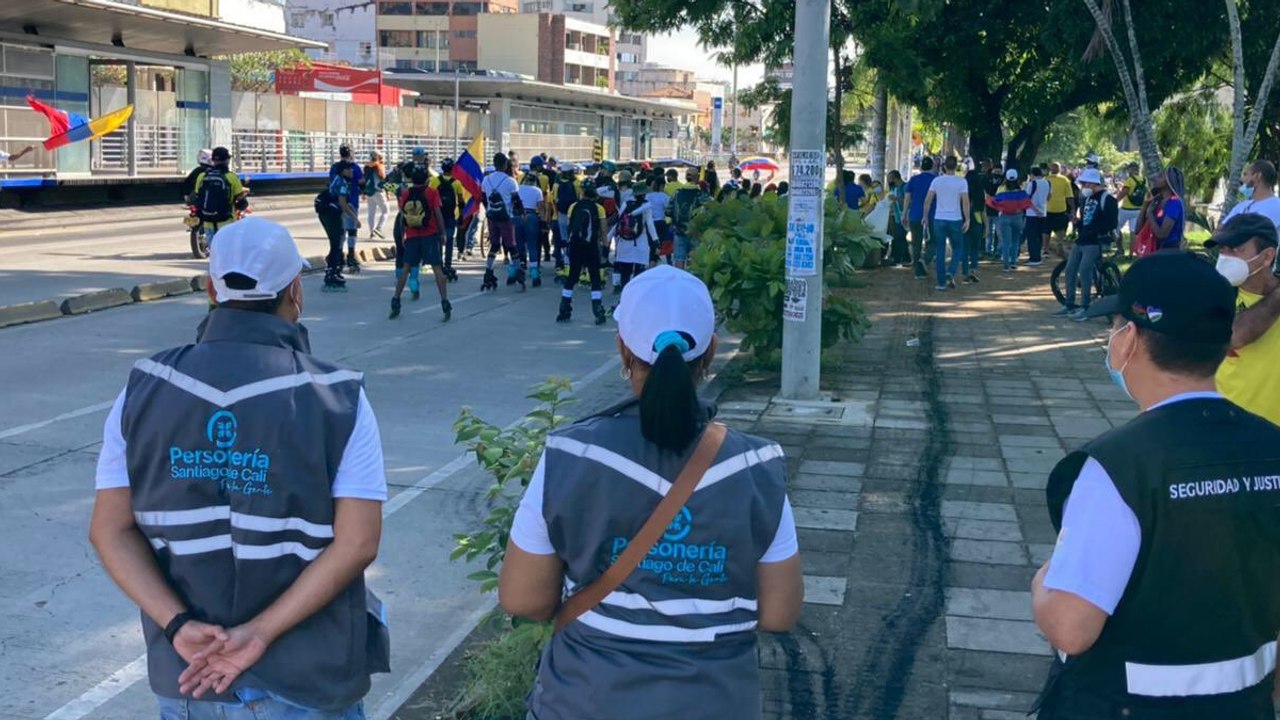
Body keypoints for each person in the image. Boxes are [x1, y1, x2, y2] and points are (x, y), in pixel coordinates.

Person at [89, 217, 390, 719]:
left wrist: (178, 626)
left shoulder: (141, 388)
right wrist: (259, 634)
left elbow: (109, 531)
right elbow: (357, 543)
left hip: (190, 677)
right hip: (306, 678)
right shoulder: (339, 395)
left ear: (211, 289)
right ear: (296, 291)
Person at [501, 264, 802, 720]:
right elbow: (779, 613)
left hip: (585, 700)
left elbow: (523, 599)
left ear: (623, 349)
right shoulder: (757, 466)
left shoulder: (570, 455)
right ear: (712, 352)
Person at [1033, 251, 1280, 720]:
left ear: (1129, 339)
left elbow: (1071, 627)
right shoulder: (1273, 446)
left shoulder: (1117, 467)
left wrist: (1043, 581)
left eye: (1115, 326)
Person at [1207, 214, 1280, 427]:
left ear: (1267, 256)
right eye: (1222, 248)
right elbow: (1234, 336)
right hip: (1226, 426)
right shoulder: (1213, 296)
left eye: (1235, 249)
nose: (1225, 256)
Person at [1054, 168, 1118, 320]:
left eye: (1084, 184)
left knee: (1085, 271)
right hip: (1082, 239)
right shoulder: (1088, 199)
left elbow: (1111, 222)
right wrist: (1078, 223)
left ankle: (1085, 307)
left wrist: (1094, 231)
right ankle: (1069, 304)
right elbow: (1086, 219)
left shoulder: (1107, 199)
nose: (1082, 187)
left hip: (1095, 241)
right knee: (1070, 269)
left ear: (1092, 183)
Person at [392, 168, 451, 321]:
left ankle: (396, 299)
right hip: (430, 235)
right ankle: (444, 301)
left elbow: (403, 215)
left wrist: (403, 234)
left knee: (406, 269)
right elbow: (437, 213)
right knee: (437, 269)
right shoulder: (432, 192)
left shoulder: (405, 193)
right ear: (426, 180)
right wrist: (443, 232)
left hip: (412, 235)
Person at [557, 179, 610, 325]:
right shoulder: (599, 208)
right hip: (591, 247)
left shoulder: (573, 207)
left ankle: (564, 307)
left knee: (572, 276)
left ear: (582, 191)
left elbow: (569, 228)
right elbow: (603, 232)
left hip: (575, 246)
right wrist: (605, 248)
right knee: (595, 278)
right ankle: (597, 308)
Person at [923, 156, 970, 291]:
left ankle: (941, 283)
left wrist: (925, 217)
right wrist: (967, 219)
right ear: (956, 167)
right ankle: (952, 271)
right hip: (955, 219)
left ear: (944, 167)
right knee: (958, 248)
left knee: (940, 250)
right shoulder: (962, 182)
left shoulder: (937, 181)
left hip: (939, 219)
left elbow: (928, 200)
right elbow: (965, 202)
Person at [481, 152, 523, 291]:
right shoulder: (511, 181)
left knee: (494, 245)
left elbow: (482, 198)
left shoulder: (486, 180)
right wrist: (521, 213)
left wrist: (488, 209)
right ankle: (517, 271)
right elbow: (516, 201)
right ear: (505, 165)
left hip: (492, 217)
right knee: (511, 245)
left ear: (494, 164)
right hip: (506, 217)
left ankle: (488, 271)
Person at [191, 146, 247, 248]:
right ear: (227, 160)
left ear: (212, 160)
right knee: (228, 254)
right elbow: (242, 202)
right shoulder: (232, 177)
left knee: (215, 255)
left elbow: (197, 196)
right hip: (227, 222)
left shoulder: (202, 176)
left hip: (208, 222)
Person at [318, 161, 361, 291]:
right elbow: (343, 204)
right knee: (336, 242)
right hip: (329, 213)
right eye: (349, 169)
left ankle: (335, 270)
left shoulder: (340, 180)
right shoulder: (342, 183)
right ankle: (331, 272)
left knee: (337, 240)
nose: (352, 171)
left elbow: (343, 205)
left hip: (330, 212)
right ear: (343, 171)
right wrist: (355, 219)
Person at [612, 182, 660, 291]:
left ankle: (624, 294)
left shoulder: (626, 203)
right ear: (644, 194)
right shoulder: (646, 205)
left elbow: (619, 221)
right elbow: (650, 224)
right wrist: (656, 241)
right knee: (638, 270)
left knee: (625, 271)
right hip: (640, 241)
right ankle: (636, 292)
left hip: (624, 241)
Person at [986, 169, 1033, 272]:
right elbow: (1027, 203)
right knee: (1015, 241)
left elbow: (994, 202)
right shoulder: (1021, 190)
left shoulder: (1001, 189)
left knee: (1006, 242)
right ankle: (1013, 263)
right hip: (1017, 217)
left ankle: (1006, 266)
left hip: (1004, 217)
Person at [327, 145, 364, 274]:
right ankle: (351, 256)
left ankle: (339, 256)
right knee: (352, 231)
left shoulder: (334, 167)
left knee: (341, 232)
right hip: (350, 201)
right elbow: (361, 182)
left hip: (335, 204)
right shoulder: (354, 167)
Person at [429, 159, 465, 282]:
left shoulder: (434, 181)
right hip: (450, 216)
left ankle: (439, 265)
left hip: (437, 216)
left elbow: (428, 197)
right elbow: (461, 202)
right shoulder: (457, 183)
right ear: (452, 169)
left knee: (438, 241)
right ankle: (448, 265)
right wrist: (461, 217)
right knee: (449, 240)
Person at [904, 157, 938, 279]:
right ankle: (925, 260)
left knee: (916, 242)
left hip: (915, 214)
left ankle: (918, 269)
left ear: (920, 167)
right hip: (933, 215)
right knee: (934, 241)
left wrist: (904, 214)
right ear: (932, 166)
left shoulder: (913, 180)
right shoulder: (936, 180)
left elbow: (907, 198)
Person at [1222, 159, 1280, 229]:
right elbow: (1220, 229)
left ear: (1257, 176)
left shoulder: (1277, 207)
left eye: (1245, 174)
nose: (1242, 179)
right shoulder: (1241, 206)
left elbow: (1254, 235)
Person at [1140, 167, 1185, 251]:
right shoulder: (1156, 201)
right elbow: (1138, 229)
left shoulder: (1174, 203)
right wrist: (1145, 204)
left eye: (1160, 176)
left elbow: (1162, 234)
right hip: (1154, 250)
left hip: (1168, 251)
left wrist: (1150, 214)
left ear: (1168, 181)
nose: (1155, 178)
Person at [517, 170, 547, 288]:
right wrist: (543, 222)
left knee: (519, 244)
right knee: (532, 245)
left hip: (518, 216)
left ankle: (517, 268)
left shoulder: (518, 188)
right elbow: (541, 208)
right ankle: (534, 273)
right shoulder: (537, 191)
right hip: (531, 217)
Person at [671, 169, 706, 269]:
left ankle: (679, 281)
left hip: (679, 231)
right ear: (697, 178)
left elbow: (668, 210)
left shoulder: (677, 193)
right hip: (695, 232)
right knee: (694, 260)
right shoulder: (700, 194)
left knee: (679, 259)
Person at [963, 160, 988, 281]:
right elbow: (983, 210)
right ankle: (973, 269)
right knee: (975, 248)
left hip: (964, 221)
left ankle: (965, 272)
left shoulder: (963, 191)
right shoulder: (980, 193)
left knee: (965, 247)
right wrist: (987, 227)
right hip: (977, 221)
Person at [1114, 162, 1145, 257]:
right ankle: (1132, 254)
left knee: (1115, 228)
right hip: (1138, 210)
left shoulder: (1129, 181)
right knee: (1133, 232)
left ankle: (1120, 250)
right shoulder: (1143, 180)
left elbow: (1124, 193)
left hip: (1126, 209)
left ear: (1130, 170)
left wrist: (1114, 201)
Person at [1045, 162, 1075, 257]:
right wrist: (1073, 209)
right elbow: (1069, 196)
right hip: (1060, 209)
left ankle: (1045, 249)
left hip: (1048, 209)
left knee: (1046, 231)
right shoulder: (1065, 180)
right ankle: (1060, 245)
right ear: (1060, 169)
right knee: (1060, 230)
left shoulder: (1046, 179)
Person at [1024, 166, 1050, 266]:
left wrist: (1036, 210)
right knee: (1039, 235)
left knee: (1032, 236)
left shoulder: (1032, 183)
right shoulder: (1047, 183)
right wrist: (1042, 207)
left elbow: (1027, 199)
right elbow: (1049, 196)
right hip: (1043, 213)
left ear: (1032, 174)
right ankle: (1037, 256)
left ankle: (1034, 258)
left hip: (1032, 213)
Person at [362, 151, 389, 240]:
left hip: (369, 192)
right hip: (379, 191)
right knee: (385, 211)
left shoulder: (366, 167)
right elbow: (383, 178)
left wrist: (364, 192)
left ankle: (372, 233)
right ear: (378, 157)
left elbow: (365, 180)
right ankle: (379, 228)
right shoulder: (379, 166)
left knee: (371, 213)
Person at [886, 170, 910, 266]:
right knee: (898, 236)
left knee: (900, 236)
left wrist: (896, 199)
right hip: (896, 215)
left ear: (895, 178)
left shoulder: (904, 187)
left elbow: (907, 201)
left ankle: (901, 257)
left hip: (904, 215)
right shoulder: (893, 188)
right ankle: (900, 256)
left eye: (889, 178)